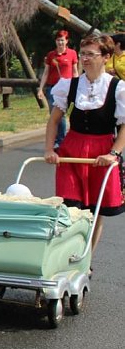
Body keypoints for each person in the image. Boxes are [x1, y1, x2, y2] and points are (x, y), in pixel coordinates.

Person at [44, 33, 125, 254]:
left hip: (101, 152)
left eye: (91, 54)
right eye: (83, 54)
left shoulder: (117, 88)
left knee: (95, 210)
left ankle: (85, 257)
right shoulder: (69, 85)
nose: (85, 58)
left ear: (106, 57)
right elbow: (54, 120)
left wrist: (114, 153)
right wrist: (50, 149)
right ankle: (68, 254)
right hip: (72, 150)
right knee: (69, 207)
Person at [37, 30, 79, 149]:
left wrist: (77, 86)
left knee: (64, 114)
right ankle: (57, 140)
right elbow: (46, 73)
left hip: (68, 88)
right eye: (58, 40)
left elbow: (75, 71)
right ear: (55, 41)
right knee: (54, 114)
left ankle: (62, 140)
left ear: (66, 41)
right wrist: (41, 89)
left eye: (62, 40)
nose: (60, 42)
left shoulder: (72, 53)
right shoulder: (51, 55)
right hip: (53, 88)